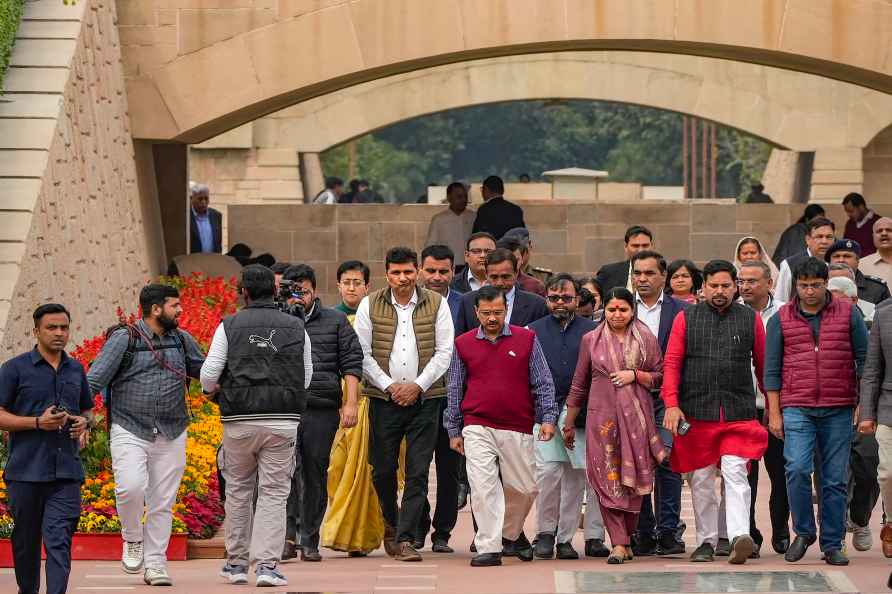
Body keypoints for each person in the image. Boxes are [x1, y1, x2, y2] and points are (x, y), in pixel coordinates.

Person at [200, 265, 314, 587]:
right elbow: (306, 376)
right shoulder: (295, 327)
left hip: (239, 421)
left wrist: (214, 390)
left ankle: (236, 564)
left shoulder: (229, 325)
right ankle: (266, 566)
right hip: (282, 421)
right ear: (274, 291)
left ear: (244, 292)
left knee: (237, 489)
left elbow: (209, 374)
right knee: (274, 494)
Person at [86, 285, 205, 586]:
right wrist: (80, 416)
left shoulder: (181, 339)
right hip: (129, 427)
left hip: (173, 429)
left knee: (163, 501)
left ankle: (155, 564)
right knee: (130, 488)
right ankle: (132, 538)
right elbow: (94, 379)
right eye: (175, 305)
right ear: (155, 309)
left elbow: (206, 373)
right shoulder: (124, 339)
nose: (180, 311)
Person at [662, 260, 768, 565]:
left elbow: (762, 366)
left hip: (738, 412)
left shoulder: (750, 318)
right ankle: (707, 542)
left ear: (735, 287)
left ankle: (737, 537)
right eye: (714, 286)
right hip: (697, 411)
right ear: (703, 287)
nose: (720, 291)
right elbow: (672, 363)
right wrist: (671, 404)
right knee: (702, 479)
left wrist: (775, 408)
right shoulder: (686, 318)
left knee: (736, 472)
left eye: (725, 286)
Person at [764, 257, 868, 567]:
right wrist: (774, 413)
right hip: (797, 406)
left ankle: (833, 543)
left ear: (826, 284)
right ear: (795, 285)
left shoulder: (848, 313)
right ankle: (804, 532)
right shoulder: (781, 318)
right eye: (804, 285)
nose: (810, 291)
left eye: (816, 285)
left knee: (834, 479)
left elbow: (864, 361)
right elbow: (771, 370)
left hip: (839, 407)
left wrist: (862, 405)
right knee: (796, 469)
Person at [445, 285, 558, 567]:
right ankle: (489, 547)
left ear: (505, 309)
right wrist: (454, 428)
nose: (492, 318)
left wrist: (547, 417)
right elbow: (455, 387)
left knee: (526, 487)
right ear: (476, 312)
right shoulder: (463, 343)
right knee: (483, 487)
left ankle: (511, 534)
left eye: (497, 312)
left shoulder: (527, 339)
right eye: (486, 313)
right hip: (477, 423)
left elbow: (543, 380)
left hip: (517, 424)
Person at [354, 247, 454, 562]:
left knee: (418, 471)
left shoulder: (437, 303)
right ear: (387, 274)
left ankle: (407, 539)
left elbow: (444, 352)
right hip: (384, 400)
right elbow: (362, 352)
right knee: (381, 470)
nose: (403, 278)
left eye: (408, 272)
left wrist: (417, 386)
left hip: (426, 400)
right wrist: (390, 386)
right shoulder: (370, 304)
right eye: (396, 273)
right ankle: (393, 522)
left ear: (417, 272)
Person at [564, 287, 667, 564]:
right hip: (602, 422)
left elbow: (660, 377)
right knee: (607, 480)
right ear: (604, 311)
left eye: (623, 309)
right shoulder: (590, 340)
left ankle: (627, 539)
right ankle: (619, 543)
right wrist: (569, 423)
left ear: (632, 311)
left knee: (634, 483)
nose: (617, 314)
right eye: (612, 309)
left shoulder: (646, 338)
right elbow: (579, 383)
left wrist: (635, 375)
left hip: (637, 421)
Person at [0, 304, 94, 594]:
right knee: (26, 542)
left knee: (59, 539)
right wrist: (38, 423)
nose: (59, 333)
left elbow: (88, 411)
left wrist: (83, 423)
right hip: (26, 471)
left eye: (64, 327)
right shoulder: (14, 369)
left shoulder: (75, 368)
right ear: (36, 331)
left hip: (66, 472)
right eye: (52, 328)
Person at [280, 264, 363, 562]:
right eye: (293, 291)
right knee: (286, 474)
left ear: (314, 291)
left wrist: (350, 402)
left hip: (321, 408)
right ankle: (287, 537)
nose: (299, 297)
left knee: (315, 473)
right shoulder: (277, 321)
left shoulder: (336, 321)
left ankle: (310, 539)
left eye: (304, 290)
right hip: (284, 409)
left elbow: (352, 362)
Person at [528, 274, 608, 560]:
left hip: (584, 412)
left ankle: (568, 538)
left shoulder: (594, 330)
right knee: (549, 473)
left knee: (579, 476)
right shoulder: (532, 330)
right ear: (546, 299)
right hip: (545, 411)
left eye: (567, 298)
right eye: (554, 298)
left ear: (578, 299)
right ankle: (545, 533)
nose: (560, 303)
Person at [321, 261, 385, 557]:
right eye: (346, 282)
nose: (351, 287)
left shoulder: (376, 316)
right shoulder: (330, 318)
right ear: (338, 285)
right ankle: (340, 529)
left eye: (357, 282)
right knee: (337, 469)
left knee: (368, 472)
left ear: (367, 286)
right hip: (335, 403)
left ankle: (363, 535)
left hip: (368, 402)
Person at [628, 251, 688, 557]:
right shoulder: (623, 309)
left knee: (666, 460)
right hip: (631, 395)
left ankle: (668, 531)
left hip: (668, 397)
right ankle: (643, 531)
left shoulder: (682, 310)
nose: (643, 279)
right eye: (638, 273)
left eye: (649, 273)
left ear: (664, 276)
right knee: (638, 463)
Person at [736, 261, 788, 555]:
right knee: (745, 475)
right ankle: (750, 533)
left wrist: (776, 402)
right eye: (741, 280)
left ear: (769, 283)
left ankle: (780, 529)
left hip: (777, 405)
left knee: (781, 472)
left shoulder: (785, 312)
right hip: (742, 406)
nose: (745, 286)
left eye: (752, 280)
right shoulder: (732, 313)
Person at [414, 244, 463, 552]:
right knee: (416, 468)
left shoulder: (465, 304)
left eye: (443, 271)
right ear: (421, 271)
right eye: (430, 270)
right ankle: (417, 528)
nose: (436, 277)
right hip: (417, 398)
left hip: (453, 398)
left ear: (453, 272)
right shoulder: (408, 303)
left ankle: (442, 532)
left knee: (449, 470)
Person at [858, 295, 892, 583]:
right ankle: (891, 522)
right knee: (887, 474)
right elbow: (871, 370)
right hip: (888, 408)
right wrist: (866, 413)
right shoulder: (884, 315)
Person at [455, 249, 549, 335]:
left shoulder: (537, 305)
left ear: (516, 274)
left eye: (505, 277)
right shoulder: (468, 301)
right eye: (494, 277)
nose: (499, 283)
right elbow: (460, 340)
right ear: (486, 275)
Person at [775, 217, 836, 301]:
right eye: (819, 237)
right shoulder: (789, 264)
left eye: (829, 237)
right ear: (808, 239)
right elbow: (780, 301)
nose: (824, 241)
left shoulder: (839, 263)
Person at [425, 182, 475, 270]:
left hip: (469, 266)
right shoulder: (439, 219)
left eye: (465, 197)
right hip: (447, 266)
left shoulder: (473, 217)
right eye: (459, 197)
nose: (463, 200)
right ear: (449, 198)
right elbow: (430, 245)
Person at [825, 239, 890, 304]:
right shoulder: (820, 284)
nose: (841, 260)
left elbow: (886, 312)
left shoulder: (877, 289)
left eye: (847, 256)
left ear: (858, 260)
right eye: (836, 256)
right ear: (830, 261)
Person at [596, 226, 654, 292]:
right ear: (626, 247)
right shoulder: (608, 273)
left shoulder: (664, 271)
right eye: (635, 246)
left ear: (651, 246)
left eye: (645, 245)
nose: (640, 250)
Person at [471, 175, 525, 240]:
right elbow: (522, 236)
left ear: (486, 189)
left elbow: (477, 236)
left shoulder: (484, 210)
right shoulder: (516, 210)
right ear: (502, 190)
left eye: (482, 189)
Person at [189, 182, 223, 254]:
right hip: (193, 261)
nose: (203, 202)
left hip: (213, 260)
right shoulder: (187, 217)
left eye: (206, 198)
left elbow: (218, 243)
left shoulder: (216, 216)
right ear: (192, 199)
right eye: (200, 199)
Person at [860, 217, 892, 288]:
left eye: (889, 230)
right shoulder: (861, 265)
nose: (884, 233)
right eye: (879, 231)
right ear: (873, 237)